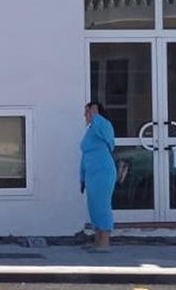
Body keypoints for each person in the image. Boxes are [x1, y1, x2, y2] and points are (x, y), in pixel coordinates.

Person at [80, 101, 116, 252]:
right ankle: (97, 240)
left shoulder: (103, 125)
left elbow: (107, 137)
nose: (85, 115)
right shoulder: (90, 130)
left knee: (102, 205)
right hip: (91, 172)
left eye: (87, 112)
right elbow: (85, 155)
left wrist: (95, 114)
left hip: (103, 171)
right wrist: (82, 177)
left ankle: (105, 242)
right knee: (93, 205)